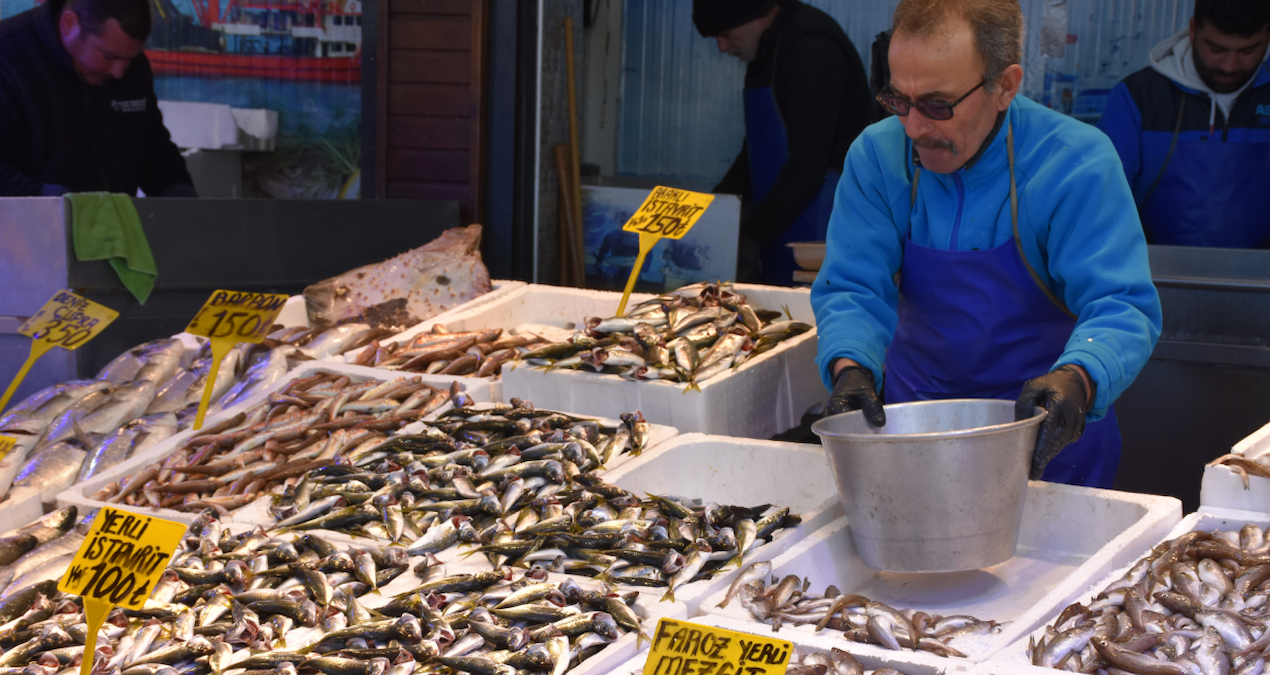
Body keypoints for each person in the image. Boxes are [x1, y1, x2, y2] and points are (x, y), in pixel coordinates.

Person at [812, 0, 1163, 488]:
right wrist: (850, 366)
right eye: (898, 101)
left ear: (1005, 86)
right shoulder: (877, 155)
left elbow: (1121, 304)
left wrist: (1079, 379)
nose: (913, 127)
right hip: (916, 429)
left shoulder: (1074, 164)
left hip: (1047, 439)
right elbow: (852, 287)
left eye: (937, 105)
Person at [693, 0, 871, 285]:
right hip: (784, 224)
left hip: (827, 228)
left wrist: (747, 232)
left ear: (756, 15)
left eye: (725, 34)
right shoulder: (764, 50)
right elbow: (755, 148)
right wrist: (710, 212)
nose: (722, 47)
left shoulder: (811, 49)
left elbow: (808, 166)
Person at [1097, 0, 1270, 248]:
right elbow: (1101, 198)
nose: (1229, 65)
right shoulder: (1138, 97)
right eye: (1216, 48)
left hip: (1259, 278)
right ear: (1193, 30)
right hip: (1156, 273)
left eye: (1247, 51)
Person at [0, 0, 196, 197]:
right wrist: (64, 206)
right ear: (69, 24)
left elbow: (154, 152)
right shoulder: (6, 55)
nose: (119, 72)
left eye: (130, 59)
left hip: (113, 224)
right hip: (30, 224)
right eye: (108, 57)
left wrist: (181, 198)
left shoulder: (134, 68)